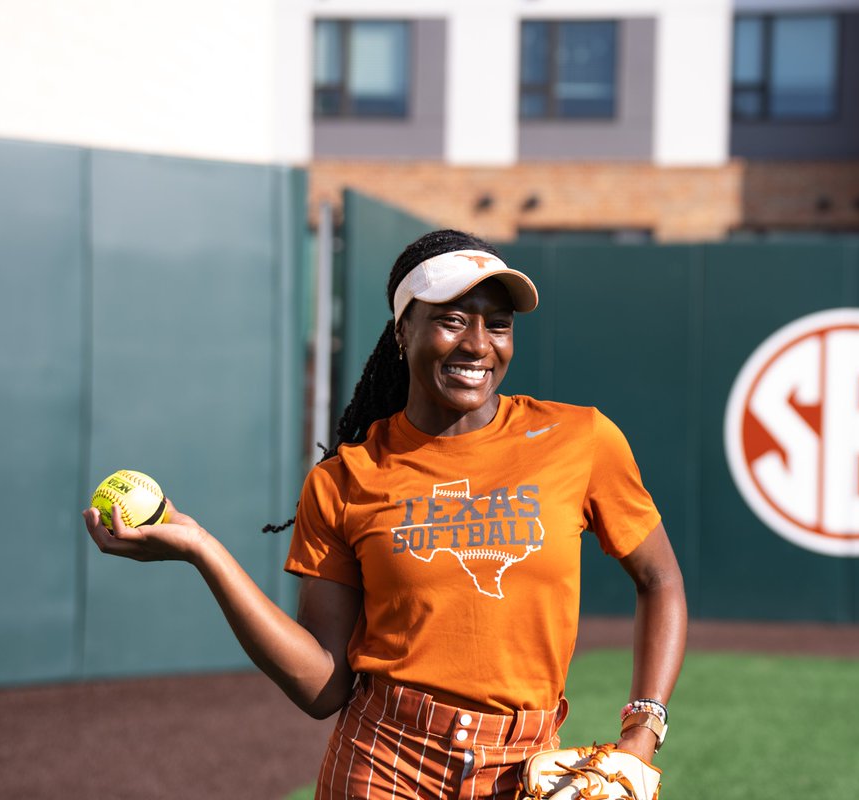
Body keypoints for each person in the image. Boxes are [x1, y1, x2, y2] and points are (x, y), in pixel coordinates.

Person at [83, 229, 688, 799]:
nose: (478, 344)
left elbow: (659, 579)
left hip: (524, 770)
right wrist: (203, 550)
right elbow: (323, 688)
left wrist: (642, 730)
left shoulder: (579, 439)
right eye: (451, 321)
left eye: (497, 326)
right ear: (402, 332)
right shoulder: (347, 477)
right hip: (385, 762)